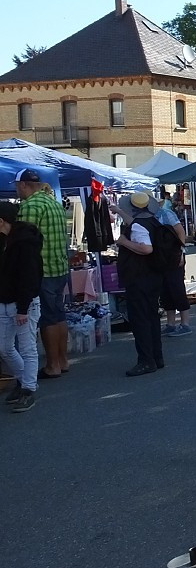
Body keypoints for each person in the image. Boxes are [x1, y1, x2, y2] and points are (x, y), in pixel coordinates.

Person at [15, 169, 69, 378]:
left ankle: (53, 365)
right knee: (58, 314)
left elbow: (23, 243)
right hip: (59, 267)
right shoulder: (53, 203)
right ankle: (63, 361)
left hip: (43, 270)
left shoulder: (30, 207)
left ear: (23, 185)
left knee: (47, 318)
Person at [115, 191, 166, 377]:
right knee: (151, 317)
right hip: (152, 276)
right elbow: (134, 224)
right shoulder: (152, 221)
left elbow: (146, 248)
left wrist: (124, 242)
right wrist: (119, 212)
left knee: (140, 320)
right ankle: (156, 357)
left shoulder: (139, 226)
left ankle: (146, 360)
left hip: (139, 277)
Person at [0, 201, 43, 413]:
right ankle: (24, 381)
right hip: (5, 301)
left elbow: (29, 277)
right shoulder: (6, 241)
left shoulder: (25, 244)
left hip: (23, 302)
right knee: (5, 347)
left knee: (27, 348)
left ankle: (28, 389)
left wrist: (23, 308)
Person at [158, 202, 191, 337]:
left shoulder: (166, 214)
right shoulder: (147, 215)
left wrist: (181, 251)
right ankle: (170, 324)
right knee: (165, 290)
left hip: (173, 255)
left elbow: (180, 231)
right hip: (161, 258)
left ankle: (185, 324)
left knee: (177, 288)